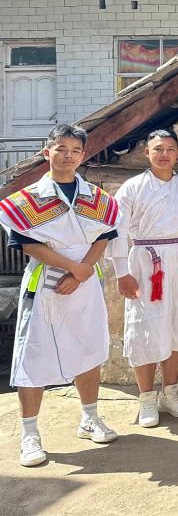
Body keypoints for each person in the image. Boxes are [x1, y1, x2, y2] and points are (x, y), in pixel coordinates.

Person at [0, 124, 121, 466]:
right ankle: (30, 433)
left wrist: (83, 270)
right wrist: (72, 268)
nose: (68, 155)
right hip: (47, 283)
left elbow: (104, 235)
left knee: (89, 348)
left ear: (83, 155)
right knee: (33, 354)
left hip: (86, 281)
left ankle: (90, 417)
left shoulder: (96, 197)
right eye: (61, 148)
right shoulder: (27, 199)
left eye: (75, 150)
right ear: (47, 152)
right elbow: (27, 245)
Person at [109, 129, 178, 428]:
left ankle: (170, 393)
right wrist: (122, 273)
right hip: (146, 263)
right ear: (147, 152)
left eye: (170, 148)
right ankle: (146, 398)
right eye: (158, 149)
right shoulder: (132, 188)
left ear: (177, 153)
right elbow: (117, 232)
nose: (164, 154)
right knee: (145, 327)